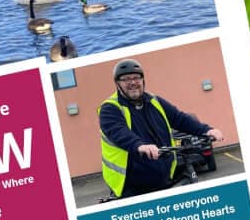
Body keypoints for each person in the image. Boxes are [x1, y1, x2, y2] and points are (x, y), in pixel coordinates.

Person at [96, 58, 225, 200]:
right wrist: (139, 145)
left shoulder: (154, 101)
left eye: (136, 78)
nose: (132, 82)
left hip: (162, 177)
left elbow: (179, 118)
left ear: (143, 80)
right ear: (117, 84)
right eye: (126, 79)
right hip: (131, 185)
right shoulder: (110, 108)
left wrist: (206, 130)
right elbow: (118, 132)